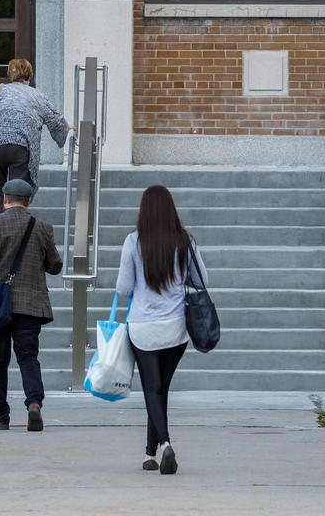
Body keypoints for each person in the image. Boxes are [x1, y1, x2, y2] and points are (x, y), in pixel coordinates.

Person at [115, 185, 208, 476]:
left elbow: (123, 288)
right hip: (176, 329)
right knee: (160, 389)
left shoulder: (133, 241)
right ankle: (149, 453)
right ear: (171, 210)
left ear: (144, 211)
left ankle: (165, 444)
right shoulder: (185, 241)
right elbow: (203, 279)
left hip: (143, 329)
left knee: (152, 389)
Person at [0, 178, 63, 432]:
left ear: (4, 199)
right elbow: (56, 266)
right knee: (28, 356)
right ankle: (34, 403)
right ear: (29, 201)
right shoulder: (42, 227)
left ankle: (0, 415)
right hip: (30, 305)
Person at [0, 58, 72, 215]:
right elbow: (55, 118)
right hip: (21, 146)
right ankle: (16, 227)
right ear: (30, 75)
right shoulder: (37, 95)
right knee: (18, 190)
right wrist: (66, 128)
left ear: (10, 74)